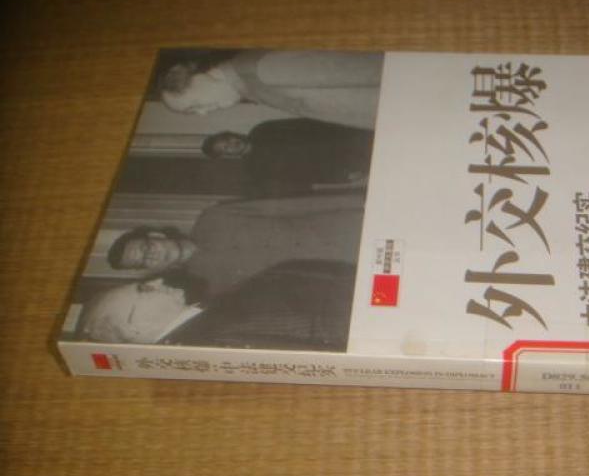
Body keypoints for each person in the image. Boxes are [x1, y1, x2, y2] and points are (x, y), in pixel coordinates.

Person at [107, 194, 365, 299]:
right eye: (143, 262)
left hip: (348, 226)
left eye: (145, 248)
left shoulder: (214, 217)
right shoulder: (206, 287)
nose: (151, 256)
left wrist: (358, 201)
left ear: (155, 234)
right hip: (345, 271)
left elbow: (294, 204)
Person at [77, 259, 355, 351]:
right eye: (144, 289)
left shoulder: (209, 314)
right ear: (134, 330)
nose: (158, 280)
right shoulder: (214, 342)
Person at [160, 50, 384, 130]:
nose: (202, 113)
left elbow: (370, 68)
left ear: (200, 76)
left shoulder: (262, 69)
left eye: (194, 106)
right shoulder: (251, 86)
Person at [202, 118, 373, 197]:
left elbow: (306, 124)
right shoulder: (255, 170)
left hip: (340, 141)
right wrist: (341, 177)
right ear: (227, 155)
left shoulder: (262, 130)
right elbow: (301, 179)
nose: (232, 144)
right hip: (339, 167)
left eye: (228, 139)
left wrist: (346, 132)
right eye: (226, 148)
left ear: (232, 134)